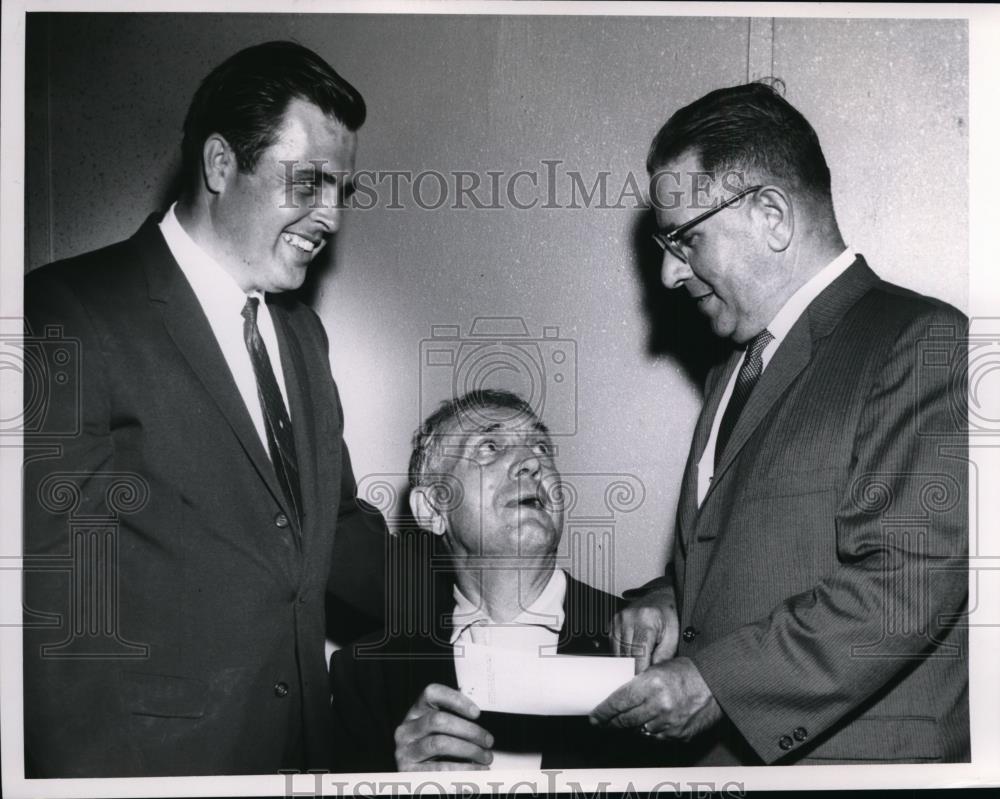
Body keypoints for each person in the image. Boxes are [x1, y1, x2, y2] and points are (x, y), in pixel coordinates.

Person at [23, 41, 386, 776]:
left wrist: (501, 591)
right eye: (309, 183)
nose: (331, 218)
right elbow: (41, 607)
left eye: (340, 191)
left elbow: (338, 535)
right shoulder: (66, 311)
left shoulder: (302, 335)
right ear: (221, 165)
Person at [592, 82, 969, 765]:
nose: (669, 273)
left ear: (771, 215)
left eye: (686, 239)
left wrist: (719, 680)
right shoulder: (729, 374)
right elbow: (742, 560)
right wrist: (668, 598)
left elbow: (910, 579)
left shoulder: (922, 342)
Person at [329, 389, 663, 772]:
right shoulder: (368, 675)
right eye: (489, 446)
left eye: (541, 447)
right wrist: (393, 784)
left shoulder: (647, 646)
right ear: (433, 508)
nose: (531, 463)